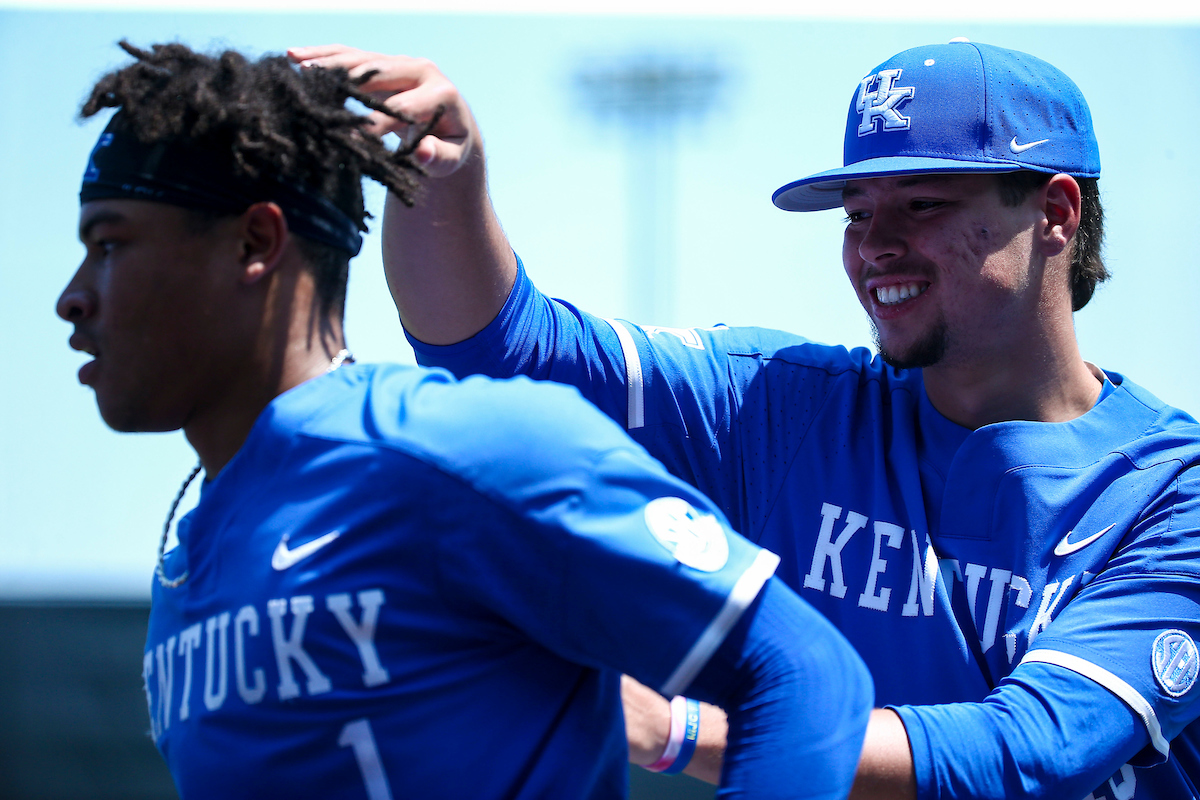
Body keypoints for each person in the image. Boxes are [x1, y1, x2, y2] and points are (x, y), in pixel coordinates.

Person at [289, 38, 1200, 800]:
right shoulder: (782, 405)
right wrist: (439, 184)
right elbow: (503, 354)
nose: (875, 244)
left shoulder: (1171, 490)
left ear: (1055, 211)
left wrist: (684, 731)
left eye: (922, 205)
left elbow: (1030, 750)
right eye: (857, 210)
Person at [55, 41, 875, 800]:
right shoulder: (185, 560)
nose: (73, 295)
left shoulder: (462, 449)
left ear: (255, 243)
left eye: (112, 244)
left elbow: (806, 673)